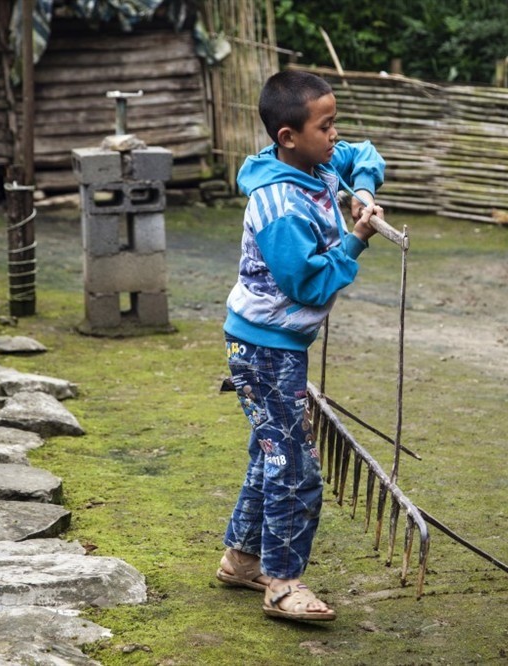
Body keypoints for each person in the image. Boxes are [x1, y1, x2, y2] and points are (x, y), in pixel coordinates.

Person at [216, 70, 385, 621]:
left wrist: (360, 192)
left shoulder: (318, 162)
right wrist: (357, 239)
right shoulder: (279, 205)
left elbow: (366, 154)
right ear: (287, 136)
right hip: (265, 350)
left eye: (335, 122)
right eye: (326, 126)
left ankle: (243, 559)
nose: (336, 135)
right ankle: (283, 583)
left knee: (270, 450)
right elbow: (307, 282)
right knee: (294, 466)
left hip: (276, 343)